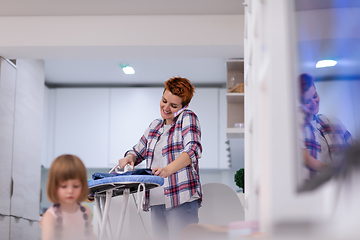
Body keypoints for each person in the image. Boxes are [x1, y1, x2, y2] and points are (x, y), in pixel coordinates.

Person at [118, 76, 202, 240]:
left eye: (173, 105)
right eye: (164, 101)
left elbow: (193, 149)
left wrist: (167, 169)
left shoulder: (187, 118)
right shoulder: (155, 126)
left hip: (180, 199)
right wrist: (129, 157)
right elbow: (137, 151)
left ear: (184, 106)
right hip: (156, 201)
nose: (166, 108)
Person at [299, 73, 355, 179]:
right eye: (307, 101)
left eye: (315, 96)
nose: (314, 103)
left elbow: (353, 147)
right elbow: (302, 156)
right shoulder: (299, 126)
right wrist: (329, 170)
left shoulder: (330, 122)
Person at [40, 154, 97, 240]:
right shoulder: (50, 216)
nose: (70, 191)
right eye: (63, 186)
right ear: (54, 187)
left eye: (76, 186)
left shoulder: (86, 212)